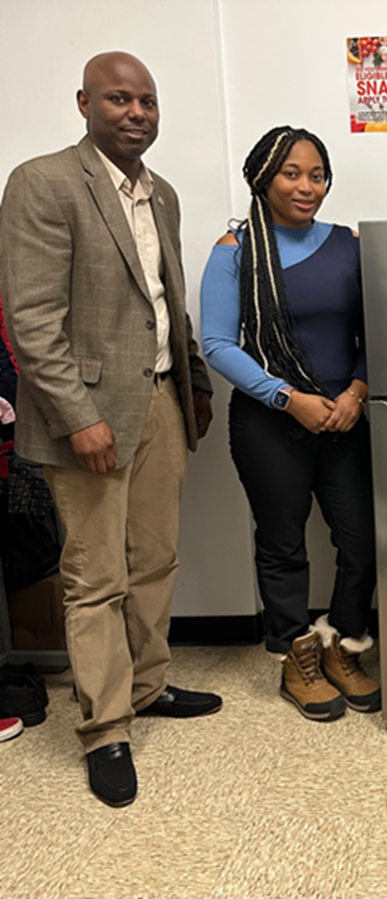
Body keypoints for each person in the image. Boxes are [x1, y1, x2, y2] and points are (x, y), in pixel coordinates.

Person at [0, 52, 221, 808]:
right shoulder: (43, 182)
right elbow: (32, 321)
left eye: (148, 102)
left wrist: (192, 381)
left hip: (160, 400)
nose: (137, 113)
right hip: (86, 419)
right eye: (120, 99)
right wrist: (80, 417)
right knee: (95, 577)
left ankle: (151, 685)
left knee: (155, 559)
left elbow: (166, 302)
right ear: (85, 102)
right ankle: (105, 728)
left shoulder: (162, 195)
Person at [201, 126, 379, 722]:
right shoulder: (235, 250)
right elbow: (218, 344)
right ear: (263, 178)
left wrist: (357, 389)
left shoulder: (349, 244)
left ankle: (344, 645)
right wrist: (287, 398)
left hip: (346, 417)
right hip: (270, 422)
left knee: (363, 541)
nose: (308, 186)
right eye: (292, 173)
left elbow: (378, 331)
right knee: (282, 545)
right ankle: (296, 657)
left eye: (318, 174)